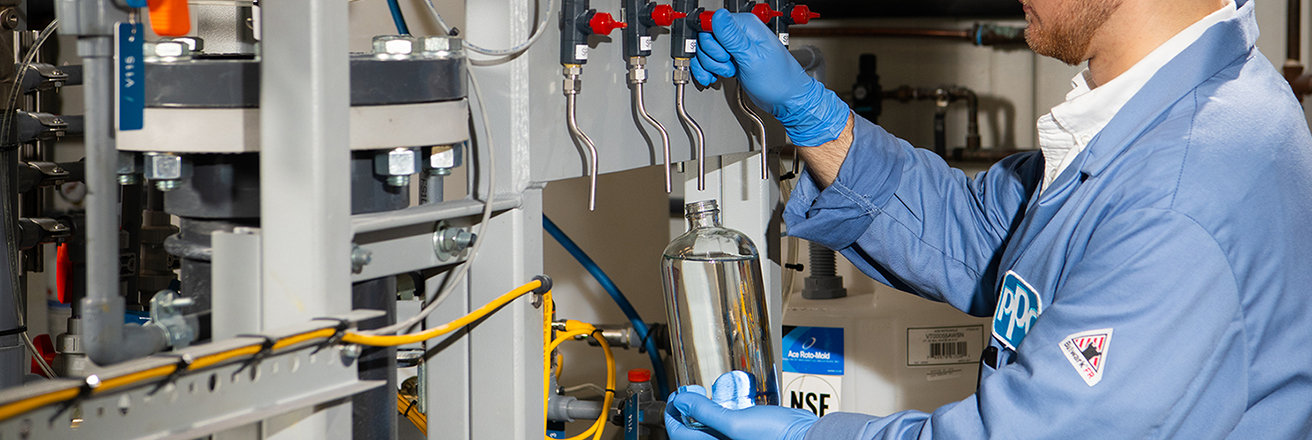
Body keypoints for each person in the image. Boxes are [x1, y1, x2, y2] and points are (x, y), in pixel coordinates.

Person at [664, 0, 1312, 438]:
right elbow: (981, 233)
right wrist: (811, 114)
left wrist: (809, 436)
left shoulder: (1182, 191)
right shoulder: (1177, 108)